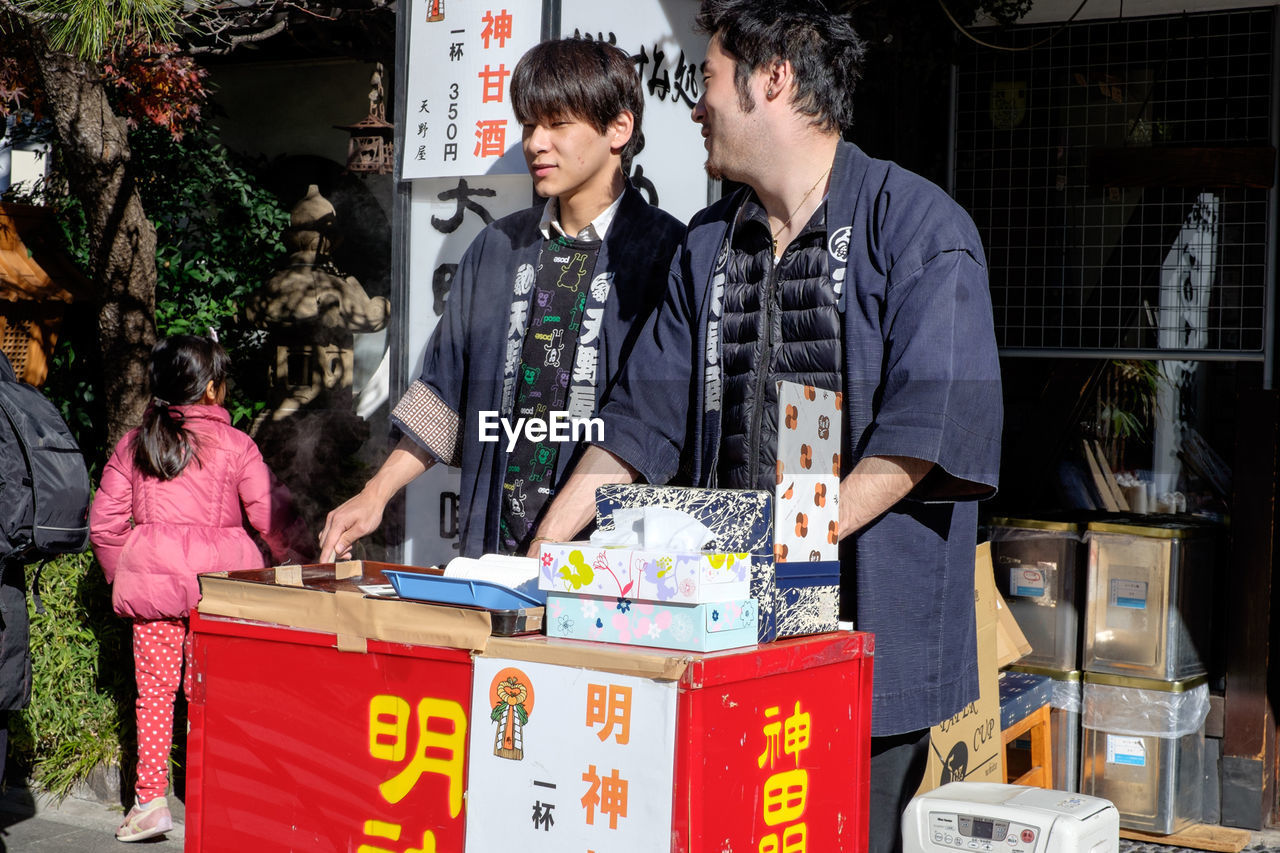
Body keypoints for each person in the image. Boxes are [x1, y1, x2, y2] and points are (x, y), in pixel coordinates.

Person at [530, 3, 1003, 851]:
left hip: (864, 636)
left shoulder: (922, 227)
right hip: (725, 628)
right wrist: (545, 552)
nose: (696, 103)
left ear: (772, 79)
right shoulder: (711, 242)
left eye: (708, 79)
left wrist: (784, 536)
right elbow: (641, 419)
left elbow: (922, 431)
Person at [317, 38, 685, 562]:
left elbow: (650, 420)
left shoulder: (667, 254)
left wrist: (554, 541)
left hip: (613, 566)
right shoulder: (497, 248)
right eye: (529, 124)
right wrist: (375, 493)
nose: (536, 143)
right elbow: (443, 392)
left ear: (618, 130)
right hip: (496, 553)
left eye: (558, 124)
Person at [89, 335, 311, 843]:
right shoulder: (237, 446)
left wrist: (133, 571)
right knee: (216, 694)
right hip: (223, 592)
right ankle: (220, 792)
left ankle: (150, 804)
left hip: (156, 597)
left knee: (155, 696)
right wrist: (300, 564)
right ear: (213, 389)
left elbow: (104, 526)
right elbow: (272, 515)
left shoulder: (135, 443)